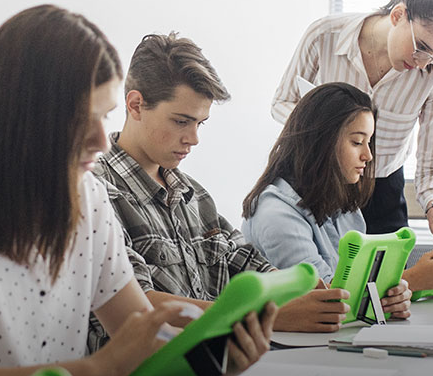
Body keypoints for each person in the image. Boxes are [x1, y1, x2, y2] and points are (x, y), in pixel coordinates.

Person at [0, 6, 276, 376]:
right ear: (27, 117)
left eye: (104, 118)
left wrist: (217, 359)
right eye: (79, 119)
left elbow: (143, 336)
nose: (102, 141)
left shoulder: (89, 198)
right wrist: (92, 371)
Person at [87, 34, 404, 350]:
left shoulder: (195, 197)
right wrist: (270, 315)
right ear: (136, 105)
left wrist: (318, 297)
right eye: (182, 121)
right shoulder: (97, 194)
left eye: (201, 123)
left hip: (209, 374)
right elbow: (134, 304)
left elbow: (254, 267)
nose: (194, 138)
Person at [272, 0, 433, 242]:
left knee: (389, 285)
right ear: (398, 15)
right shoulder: (325, 35)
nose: (425, 62)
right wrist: (328, 132)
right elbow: (282, 102)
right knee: (323, 283)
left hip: (382, 192)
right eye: (422, 47)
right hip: (318, 180)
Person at [243, 82, 433, 300]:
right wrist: (413, 281)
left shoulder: (342, 203)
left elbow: (363, 285)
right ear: (321, 141)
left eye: (368, 142)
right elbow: (327, 299)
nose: (368, 155)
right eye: (357, 142)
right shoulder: (276, 215)